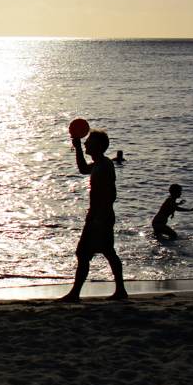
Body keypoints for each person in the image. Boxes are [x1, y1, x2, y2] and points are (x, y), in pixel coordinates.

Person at [60, 129, 127, 302]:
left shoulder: (105, 166)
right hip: (98, 216)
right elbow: (83, 169)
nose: (86, 143)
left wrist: (99, 218)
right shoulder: (99, 164)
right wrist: (78, 149)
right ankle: (120, 290)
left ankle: (76, 294)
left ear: (98, 146)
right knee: (104, 252)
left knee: (86, 253)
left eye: (88, 141)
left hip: (101, 216)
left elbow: (111, 194)